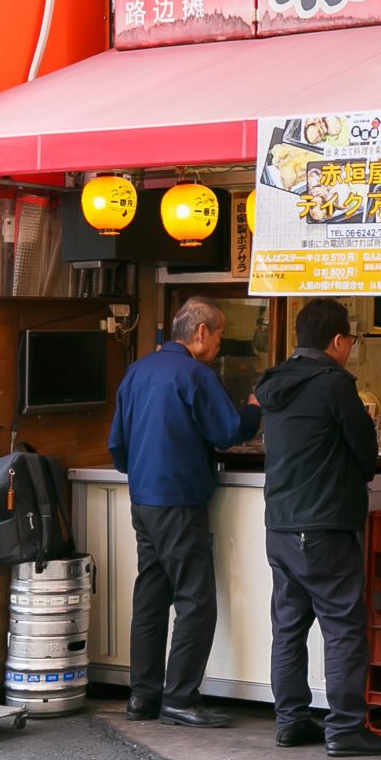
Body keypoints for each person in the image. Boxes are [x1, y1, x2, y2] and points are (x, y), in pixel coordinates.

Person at [107, 298, 260, 727]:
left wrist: (141, 472)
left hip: (143, 500)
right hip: (180, 501)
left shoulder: (137, 371)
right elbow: (229, 432)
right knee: (195, 600)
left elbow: (117, 445)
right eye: (218, 334)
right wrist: (253, 408)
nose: (219, 343)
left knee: (151, 597)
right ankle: (180, 698)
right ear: (200, 333)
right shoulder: (196, 374)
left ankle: (142, 697)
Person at [254, 297, 381, 756]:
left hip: (280, 524)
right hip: (324, 525)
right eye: (349, 340)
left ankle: (292, 720)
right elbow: (365, 452)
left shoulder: (274, 383)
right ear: (337, 341)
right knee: (343, 626)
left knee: (289, 626)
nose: (350, 348)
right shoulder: (335, 386)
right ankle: (345, 728)